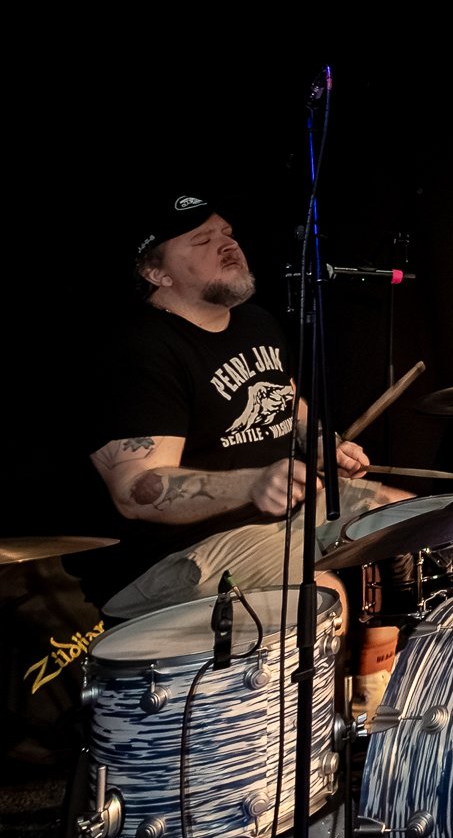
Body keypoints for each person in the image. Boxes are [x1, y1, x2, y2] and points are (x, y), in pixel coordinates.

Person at [85, 191, 406, 625]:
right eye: (201, 240)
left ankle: (384, 684)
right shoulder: (140, 351)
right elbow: (136, 491)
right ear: (156, 272)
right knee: (321, 598)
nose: (227, 244)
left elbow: (288, 401)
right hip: (187, 551)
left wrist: (321, 445)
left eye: (227, 233)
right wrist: (252, 485)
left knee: (412, 517)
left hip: (283, 515)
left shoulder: (257, 321)